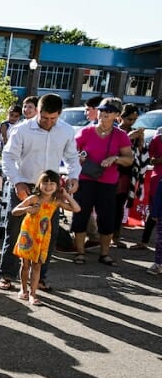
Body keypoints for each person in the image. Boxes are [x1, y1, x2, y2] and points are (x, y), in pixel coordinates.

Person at [0, 93, 82, 291]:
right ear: (38, 111)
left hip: (50, 189)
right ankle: (7, 275)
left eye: (53, 119)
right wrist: (17, 182)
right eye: (44, 118)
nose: (48, 122)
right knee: (15, 231)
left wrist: (74, 176)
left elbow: (72, 158)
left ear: (59, 114)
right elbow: (8, 157)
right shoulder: (22, 130)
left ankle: (40, 277)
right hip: (24, 185)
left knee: (48, 235)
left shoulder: (66, 131)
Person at [71, 97, 135, 266]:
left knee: (106, 218)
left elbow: (129, 159)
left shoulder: (120, 136)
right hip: (85, 180)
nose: (104, 114)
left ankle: (104, 254)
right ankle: (79, 253)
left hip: (107, 182)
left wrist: (116, 158)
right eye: (101, 110)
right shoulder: (86, 132)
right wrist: (79, 157)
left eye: (108, 111)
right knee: (80, 215)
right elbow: (70, 152)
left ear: (116, 115)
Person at [12, 170, 80, 305]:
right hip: (29, 233)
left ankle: (33, 294)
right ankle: (23, 289)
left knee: (37, 265)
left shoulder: (56, 202)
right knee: (25, 264)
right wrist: (27, 210)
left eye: (52, 184)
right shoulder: (33, 198)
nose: (48, 187)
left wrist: (66, 194)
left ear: (57, 186)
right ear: (39, 184)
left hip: (43, 235)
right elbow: (14, 211)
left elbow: (76, 209)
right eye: (45, 183)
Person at [115, 103, 145, 248]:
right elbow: (113, 149)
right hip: (113, 173)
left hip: (128, 175)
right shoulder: (115, 131)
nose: (131, 122)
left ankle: (116, 236)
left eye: (134, 120)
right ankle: (103, 236)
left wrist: (140, 141)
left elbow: (142, 154)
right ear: (121, 117)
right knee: (108, 206)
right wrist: (128, 136)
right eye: (129, 119)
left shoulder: (134, 132)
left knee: (120, 206)